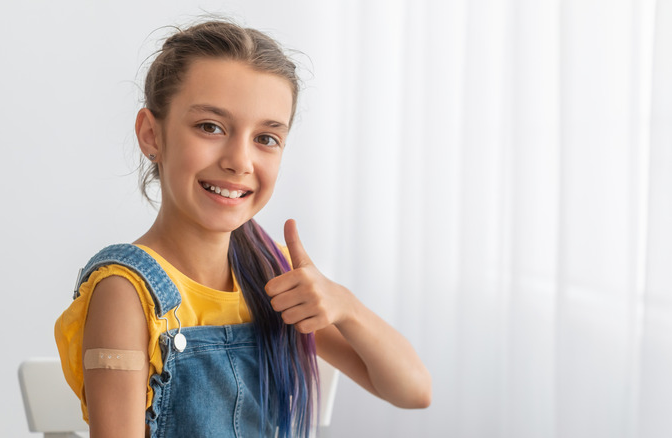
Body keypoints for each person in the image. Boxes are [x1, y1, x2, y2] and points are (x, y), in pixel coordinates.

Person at [55, 19, 431, 438]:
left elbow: (413, 390)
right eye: (210, 127)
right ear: (151, 134)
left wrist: (345, 307)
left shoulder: (274, 277)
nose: (239, 160)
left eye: (266, 138)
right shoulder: (126, 294)